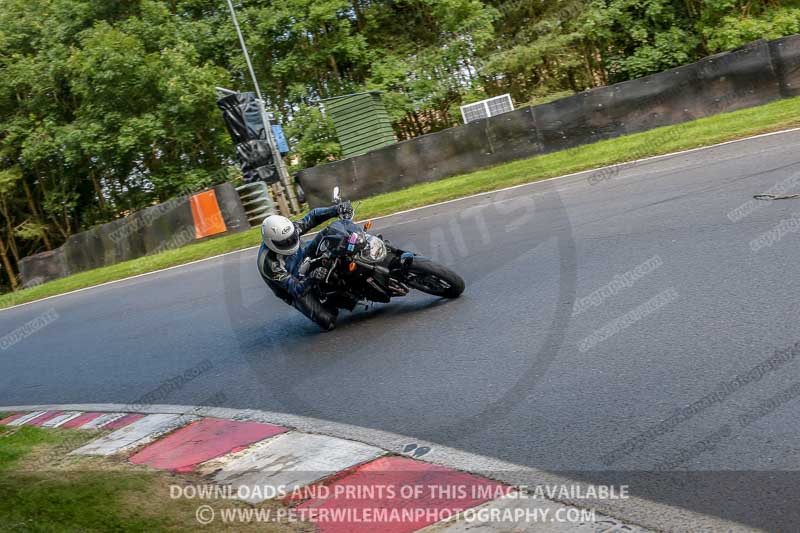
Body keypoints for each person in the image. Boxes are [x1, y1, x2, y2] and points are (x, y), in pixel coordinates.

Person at [257, 202, 352, 331]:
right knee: (328, 321)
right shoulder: (269, 264)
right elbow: (294, 288)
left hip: (305, 256)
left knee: (330, 234)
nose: (290, 242)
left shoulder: (289, 231)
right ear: (270, 242)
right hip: (296, 287)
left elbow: (312, 217)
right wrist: (311, 278)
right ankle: (333, 299)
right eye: (284, 242)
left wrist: (336, 209)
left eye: (291, 238)